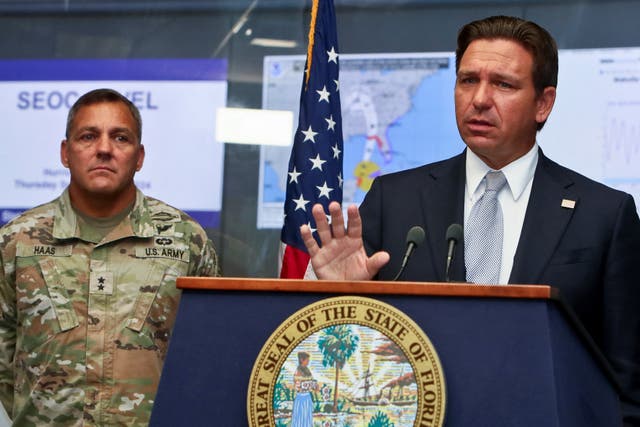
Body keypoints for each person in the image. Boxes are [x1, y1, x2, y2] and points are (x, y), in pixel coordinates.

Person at [300, 15, 640, 425]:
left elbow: (626, 382)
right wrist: (340, 298)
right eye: (467, 80)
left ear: (543, 103)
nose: (479, 99)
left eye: (503, 84)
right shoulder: (395, 198)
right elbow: (349, 357)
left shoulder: (604, 213)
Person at [0, 88, 220, 426]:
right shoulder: (17, 241)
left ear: (140, 156)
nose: (104, 149)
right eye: (88, 136)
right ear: (65, 152)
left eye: (120, 138)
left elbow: (208, 354)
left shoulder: (187, 241)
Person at [291, 351, 317, 427]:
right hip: (301, 398)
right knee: (300, 418)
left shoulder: (307, 370)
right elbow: (297, 385)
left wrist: (314, 385)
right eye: (307, 360)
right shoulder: (298, 371)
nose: (308, 362)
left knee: (307, 418)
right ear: (302, 360)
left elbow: (311, 382)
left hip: (307, 397)